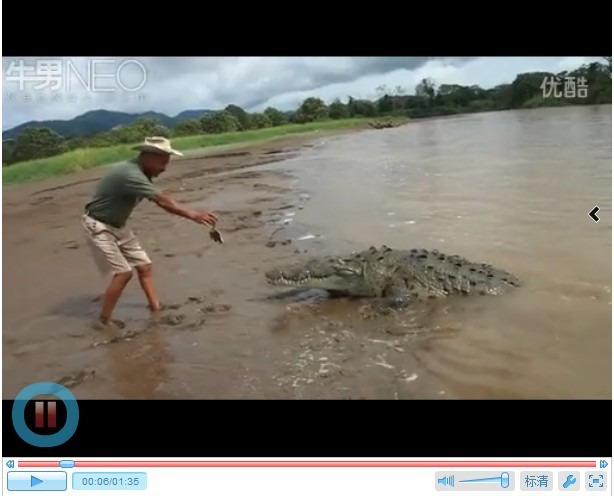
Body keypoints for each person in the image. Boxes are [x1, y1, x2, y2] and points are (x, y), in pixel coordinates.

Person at [81, 136, 218, 330]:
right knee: (123, 273)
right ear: (148, 157)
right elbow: (162, 201)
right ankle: (103, 321)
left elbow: (160, 200)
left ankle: (156, 307)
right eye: (162, 161)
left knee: (144, 266)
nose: (164, 167)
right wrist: (193, 214)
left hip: (118, 224)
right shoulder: (131, 174)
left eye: (167, 161)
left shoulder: (142, 173)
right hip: (99, 225)